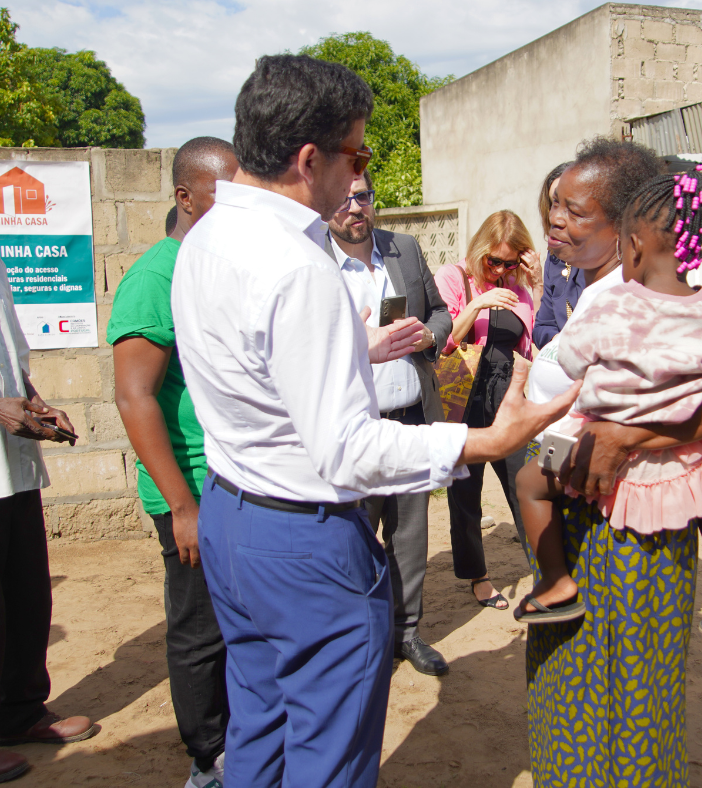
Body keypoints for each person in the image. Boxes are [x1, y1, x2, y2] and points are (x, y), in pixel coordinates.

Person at [169, 55, 578, 788]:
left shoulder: (205, 237)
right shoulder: (300, 267)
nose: (358, 174)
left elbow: (255, 365)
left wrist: (353, 349)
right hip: (304, 540)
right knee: (328, 756)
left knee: (260, 728)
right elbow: (349, 450)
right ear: (308, 159)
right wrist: (486, 440)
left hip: (235, 516)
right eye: (356, 154)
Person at [522, 138, 702, 786]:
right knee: (596, 678)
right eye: (554, 206)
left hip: (627, 522)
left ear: (626, 229)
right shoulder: (593, 285)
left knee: (627, 680)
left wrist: (629, 435)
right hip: (603, 501)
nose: (556, 221)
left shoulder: (624, 300)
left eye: (574, 211)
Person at [109, 136, 237, 788]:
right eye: (223, 195)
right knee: (199, 628)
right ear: (184, 197)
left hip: (230, 478)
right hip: (188, 485)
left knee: (237, 620)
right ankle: (207, 759)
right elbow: (134, 396)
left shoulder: (215, 267)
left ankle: (236, 742)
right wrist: (182, 504)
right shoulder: (157, 276)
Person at [327, 168, 453, 677]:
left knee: (409, 533)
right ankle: (361, 637)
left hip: (411, 420)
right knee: (353, 537)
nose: (354, 207)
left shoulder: (404, 248)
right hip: (352, 428)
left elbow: (442, 311)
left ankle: (407, 632)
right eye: (342, 199)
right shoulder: (314, 262)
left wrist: (429, 335)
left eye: (362, 196)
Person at [0, 267, 95, 782]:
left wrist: (32, 401)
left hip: (13, 469)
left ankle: (19, 713)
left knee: (27, 596)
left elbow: (10, 357)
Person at [434, 211, 541, 609]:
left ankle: (542, 568)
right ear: (479, 250)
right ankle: (477, 576)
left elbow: (534, 345)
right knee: (466, 493)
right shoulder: (454, 277)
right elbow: (441, 343)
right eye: (492, 261)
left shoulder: (520, 287)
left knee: (525, 485)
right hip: (464, 396)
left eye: (508, 262)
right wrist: (479, 302)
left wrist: (536, 283)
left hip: (508, 397)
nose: (499, 269)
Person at [531, 161, 583, 350]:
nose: (559, 215)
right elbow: (542, 326)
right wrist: (556, 340)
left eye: (569, 202)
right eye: (554, 203)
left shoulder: (602, 256)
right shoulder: (554, 261)